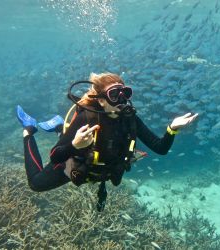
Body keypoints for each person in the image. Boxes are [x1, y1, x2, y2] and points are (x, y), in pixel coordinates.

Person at [17, 72, 198, 211]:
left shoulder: (131, 119)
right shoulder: (87, 118)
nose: (121, 99)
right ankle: (29, 131)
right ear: (102, 101)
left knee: (75, 139)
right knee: (35, 184)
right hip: (75, 163)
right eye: (114, 94)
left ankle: (59, 127)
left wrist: (172, 128)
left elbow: (160, 148)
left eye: (125, 93)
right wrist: (74, 146)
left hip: (100, 169)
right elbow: (55, 156)